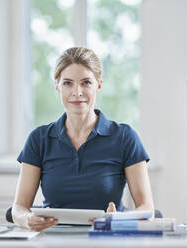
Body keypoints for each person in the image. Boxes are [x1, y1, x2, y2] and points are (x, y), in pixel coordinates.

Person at [12, 47, 154, 232]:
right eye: (68, 83)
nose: (77, 92)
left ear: (98, 85)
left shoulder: (125, 137)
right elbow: (18, 208)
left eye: (86, 82)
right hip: (53, 240)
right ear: (57, 86)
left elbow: (147, 210)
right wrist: (27, 219)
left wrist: (119, 220)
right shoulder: (39, 139)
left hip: (107, 237)